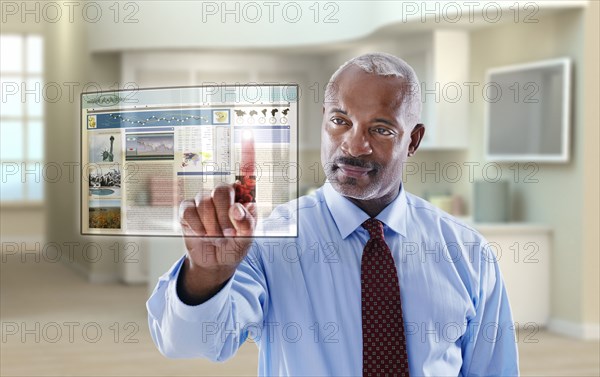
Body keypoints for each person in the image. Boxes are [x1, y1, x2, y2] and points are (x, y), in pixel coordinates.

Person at [147, 52, 519, 376]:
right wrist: (207, 276)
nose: (355, 145)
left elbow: (493, 370)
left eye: (381, 129)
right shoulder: (269, 241)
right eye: (340, 121)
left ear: (414, 140)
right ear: (324, 119)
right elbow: (189, 342)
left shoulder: (468, 252)